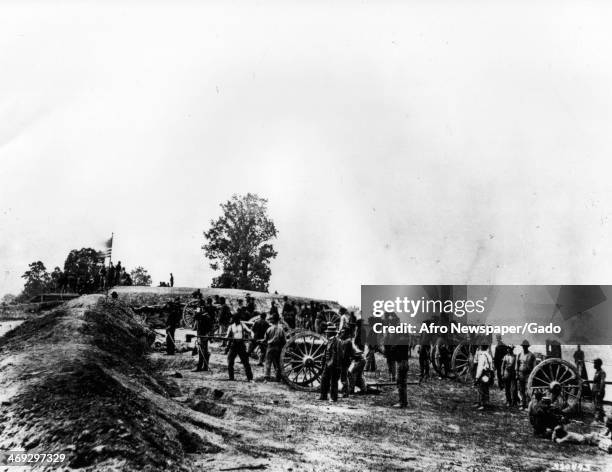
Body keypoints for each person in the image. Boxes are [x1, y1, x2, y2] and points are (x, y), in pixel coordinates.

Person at [225, 313, 254, 382]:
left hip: (241, 345)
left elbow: (249, 331)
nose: (237, 321)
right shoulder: (231, 326)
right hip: (234, 345)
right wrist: (225, 338)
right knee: (230, 361)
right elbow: (227, 335)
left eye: (238, 319)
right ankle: (231, 377)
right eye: (235, 320)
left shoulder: (242, 325)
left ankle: (250, 378)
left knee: (246, 362)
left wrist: (252, 336)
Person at [319, 323, 343, 402]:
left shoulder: (337, 341)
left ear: (331, 333)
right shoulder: (329, 340)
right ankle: (323, 396)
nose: (326, 333)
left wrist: (335, 365)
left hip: (334, 365)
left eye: (327, 332)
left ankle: (333, 397)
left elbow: (338, 355)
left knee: (333, 382)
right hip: (328, 364)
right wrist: (324, 362)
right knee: (324, 379)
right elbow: (325, 352)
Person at [263, 313, 286, 381]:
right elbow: (284, 340)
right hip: (278, 348)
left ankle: (267, 377)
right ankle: (278, 377)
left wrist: (264, 341)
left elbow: (265, 339)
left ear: (273, 321)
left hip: (270, 347)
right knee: (278, 362)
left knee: (268, 361)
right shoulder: (281, 329)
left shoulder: (269, 329)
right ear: (278, 320)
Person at [194, 300, 213, 371]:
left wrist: (198, 311)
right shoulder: (206, 316)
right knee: (204, 350)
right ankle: (204, 366)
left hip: (203, 335)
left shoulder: (204, 316)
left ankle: (200, 367)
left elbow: (195, 317)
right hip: (203, 335)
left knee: (202, 351)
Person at [516, 339, 536, 410]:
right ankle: (522, 404)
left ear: (528, 347)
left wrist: (532, 375)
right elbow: (517, 365)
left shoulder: (532, 355)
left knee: (528, 390)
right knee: (521, 390)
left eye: (525, 346)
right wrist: (516, 374)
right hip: (520, 374)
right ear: (522, 346)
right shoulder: (519, 355)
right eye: (523, 346)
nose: (524, 347)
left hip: (528, 375)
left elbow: (534, 367)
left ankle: (528, 405)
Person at [475, 345, 493, 410]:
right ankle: (484, 403)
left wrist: (477, 377)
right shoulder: (488, 355)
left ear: (482, 347)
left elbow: (480, 368)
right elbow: (491, 365)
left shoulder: (482, 356)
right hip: (487, 373)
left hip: (483, 373)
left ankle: (482, 404)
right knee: (485, 388)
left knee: (481, 388)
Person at [394, 339, 411, 408]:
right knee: (404, 383)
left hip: (401, 363)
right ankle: (404, 402)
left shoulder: (400, 340)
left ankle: (401, 402)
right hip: (405, 362)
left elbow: (394, 349)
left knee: (400, 383)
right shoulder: (405, 339)